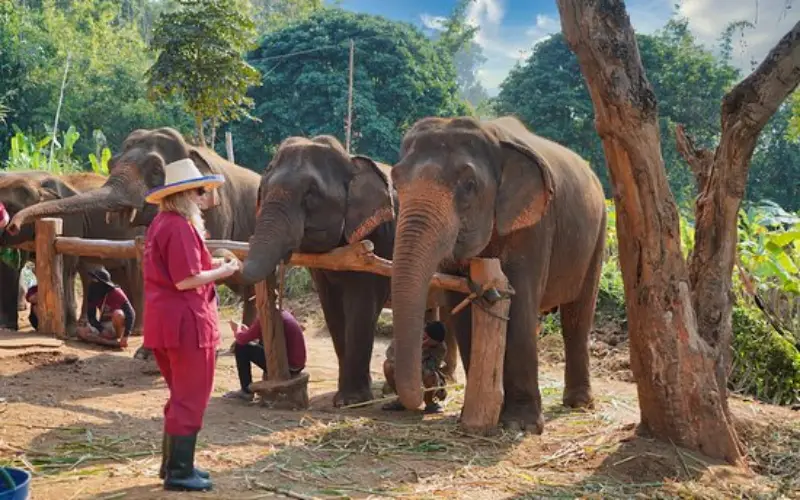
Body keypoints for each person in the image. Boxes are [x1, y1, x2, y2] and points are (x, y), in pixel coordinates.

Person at [142, 158, 240, 492]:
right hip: (187, 324)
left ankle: (173, 465)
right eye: (200, 191)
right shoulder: (180, 227)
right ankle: (179, 473)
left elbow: (178, 268)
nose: (204, 197)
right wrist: (223, 272)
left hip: (165, 322)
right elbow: (185, 280)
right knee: (191, 397)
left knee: (180, 394)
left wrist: (213, 264)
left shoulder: (161, 224)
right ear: (186, 195)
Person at [223, 309, 307, 402]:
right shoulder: (283, 313)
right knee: (251, 345)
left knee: (240, 347)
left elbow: (242, 339)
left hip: (287, 367)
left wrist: (237, 329)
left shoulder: (266, 316)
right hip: (297, 364)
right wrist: (248, 332)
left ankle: (246, 391)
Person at [382, 321, 449, 414]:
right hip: (403, 369)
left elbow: (432, 367)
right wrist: (413, 349)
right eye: (426, 338)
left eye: (432, 344)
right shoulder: (408, 334)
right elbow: (390, 354)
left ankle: (429, 403)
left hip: (424, 374)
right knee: (388, 365)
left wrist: (420, 350)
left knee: (431, 376)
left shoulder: (440, 348)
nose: (428, 343)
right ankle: (401, 399)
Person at [75, 268, 135, 349]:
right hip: (103, 325)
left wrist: (126, 336)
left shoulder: (116, 292)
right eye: (93, 279)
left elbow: (131, 313)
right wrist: (101, 329)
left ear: (103, 284)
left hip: (116, 325)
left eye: (96, 280)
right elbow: (91, 316)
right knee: (80, 331)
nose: (93, 282)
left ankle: (113, 340)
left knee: (118, 314)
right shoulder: (92, 292)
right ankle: (111, 343)